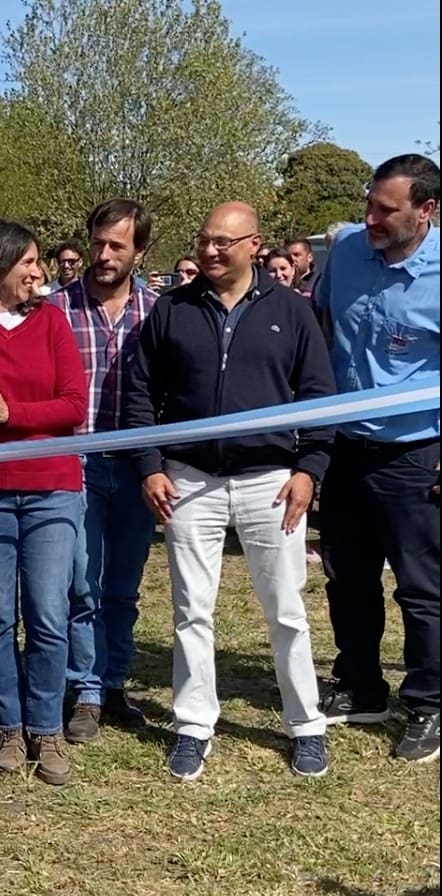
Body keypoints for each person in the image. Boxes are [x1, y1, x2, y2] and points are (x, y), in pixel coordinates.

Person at [125, 202, 336, 781]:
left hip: (272, 480)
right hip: (189, 479)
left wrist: (308, 470)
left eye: (223, 242)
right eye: (203, 240)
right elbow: (140, 394)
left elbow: (319, 397)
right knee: (192, 609)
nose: (210, 251)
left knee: (286, 610)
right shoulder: (171, 311)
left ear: (254, 245)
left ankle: (306, 724)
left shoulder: (291, 313)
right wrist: (149, 464)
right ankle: (194, 725)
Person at [314, 153, 440, 763]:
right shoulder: (343, 256)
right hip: (344, 447)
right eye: (369, 204)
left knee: (421, 587)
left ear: (427, 210)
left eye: (386, 210)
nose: (371, 218)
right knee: (347, 576)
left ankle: (430, 703)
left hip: (417, 453)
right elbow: (317, 329)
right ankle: (361, 685)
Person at [0, 221, 87, 785]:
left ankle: (46, 727)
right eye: (28, 262)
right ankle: (8, 727)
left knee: (49, 613)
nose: (38, 272)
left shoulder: (52, 321)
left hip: (53, 487)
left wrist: (13, 413)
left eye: (38, 262)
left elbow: (73, 405)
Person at [48, 199, 160, 743]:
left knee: (124, 585)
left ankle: (113, 681)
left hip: (138, 468)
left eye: (117, 245)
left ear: (140, 251)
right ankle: (85, 689)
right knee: (80, 584)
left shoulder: (159, 312)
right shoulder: (55, 310)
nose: (103, 254)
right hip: (77, 464)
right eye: (97, 242)